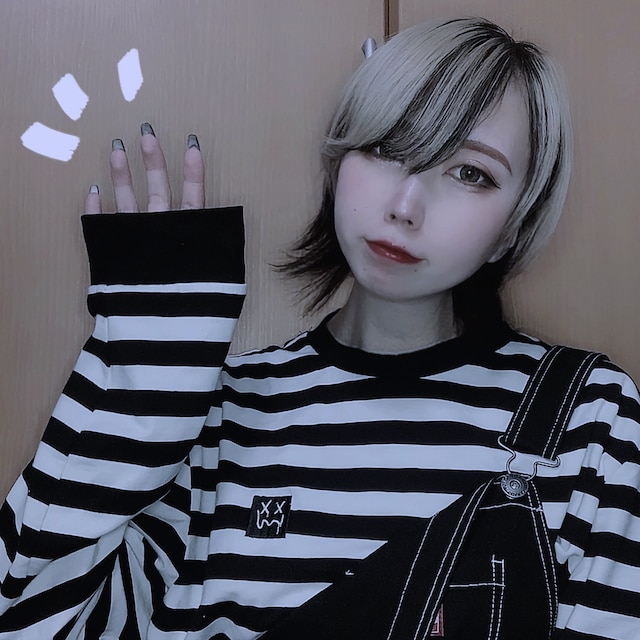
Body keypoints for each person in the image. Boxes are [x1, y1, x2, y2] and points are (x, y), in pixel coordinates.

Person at [0, 15, 639, 640]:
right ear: (339, 161)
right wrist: (142, 386)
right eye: (388, 146)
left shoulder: (589, 419)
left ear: (514, 227)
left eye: (471, 173)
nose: (405, 206)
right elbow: (29, 619)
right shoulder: (219, 415)